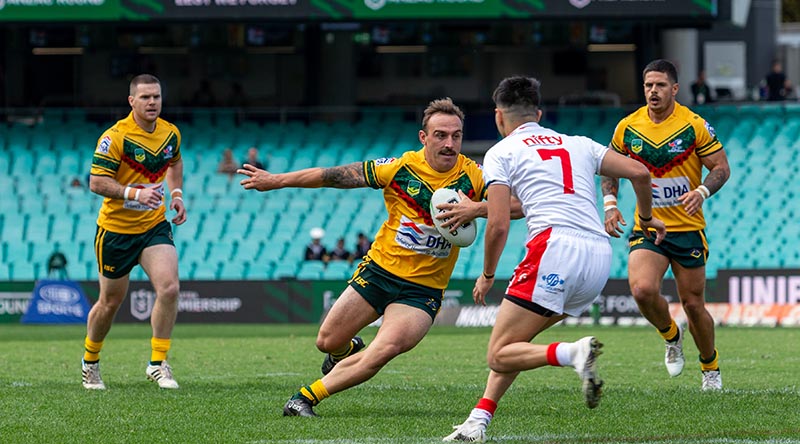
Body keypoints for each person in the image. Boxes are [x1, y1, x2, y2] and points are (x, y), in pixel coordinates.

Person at [239, 98, 504, 417]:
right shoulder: (399, 169)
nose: (449, 143)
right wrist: (277, 180)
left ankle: (305, 398)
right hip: (379, 273)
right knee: (327, 341)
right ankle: (347, 349)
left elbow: (514, 206)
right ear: (424, 137)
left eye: (456, 135)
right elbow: (333, 175)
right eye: (440, 135)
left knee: (385, 348)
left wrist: (476, 208)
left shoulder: (474, 176)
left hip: (422, 291)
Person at [443, 76, 666, 442]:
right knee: (516, 344)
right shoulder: (578, 144)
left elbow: (499, 224)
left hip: (554, 248)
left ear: (499, 116)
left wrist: (487, 273)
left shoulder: (502, 152)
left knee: (498, 354)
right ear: (539, 114)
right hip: (596, 256)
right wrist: (644, 217)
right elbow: (640, 172)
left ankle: (573, 353)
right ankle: (478, 421)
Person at [601, 59, 730, 391]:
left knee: (693, 304)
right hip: (648, 225)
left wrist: (702, 191)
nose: (653, 91)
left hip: (687, 228)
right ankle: (672, 335)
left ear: (674, 88)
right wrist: (611, 204)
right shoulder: (628, 127)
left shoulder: (694, 125)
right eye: (648, 86)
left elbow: (720, 167)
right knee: (642, 290)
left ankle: (710, 367)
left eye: (659, 85)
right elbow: (609, 168)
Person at [81, 73, 187, 390]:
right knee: (110, 302)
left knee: (169, 288)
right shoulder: (115, 137)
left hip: (153, 225)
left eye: (156, 96)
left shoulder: (170, 133)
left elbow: (176, 163)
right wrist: (134, 193)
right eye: (145, 97)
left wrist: (177, 195)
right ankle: (90, 362)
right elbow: (96, 182)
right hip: (115, 230)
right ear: (132, 101)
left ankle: (157, 363)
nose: (152, 102)